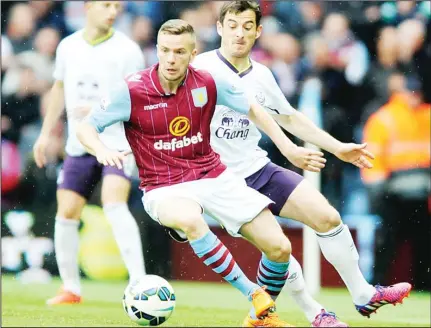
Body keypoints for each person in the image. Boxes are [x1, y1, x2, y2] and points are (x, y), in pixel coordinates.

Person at [76, 18, 318, 327]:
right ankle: (254, 295)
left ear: (193, 54)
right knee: (191, 220)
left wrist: (287, 147)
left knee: (280, 248)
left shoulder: (207, 82)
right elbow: (86, 127)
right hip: (163, 187)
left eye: (179, 52)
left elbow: (253, 109)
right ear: (157, 51)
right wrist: (100, 149)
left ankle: (261, 319)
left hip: (213, 176)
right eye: (164, 51)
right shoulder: (133, 89)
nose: (171, 59)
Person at [191, 0, 412, 324]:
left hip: (255, 167)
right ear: (220, 28)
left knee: (327, 218)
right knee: (277, 248)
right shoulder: (201, 68)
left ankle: (363, 294)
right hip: (218, 179)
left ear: (258, 32)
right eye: (233, 26)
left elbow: (290, 118)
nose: (239, 34)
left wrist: (338, 147)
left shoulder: (263, 75)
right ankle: (311, 312)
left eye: (247, 27)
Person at [32, 1, 146, 305]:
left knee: (113, 203)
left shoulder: (128, 50)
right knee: (66, 212)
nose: (113, 11)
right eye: (106, 4)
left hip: (117, 142)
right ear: (88, 6)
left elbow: (139, 98)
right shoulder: (68, 46)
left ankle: (139, 284)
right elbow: (59, 88)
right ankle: (71, 288)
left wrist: (100, 108)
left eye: (117, 6)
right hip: (79, 144)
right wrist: (45, 134)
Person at [362, 76, 430, 291]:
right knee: (389, 244)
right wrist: (378, 193)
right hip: (393, 193)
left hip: (420, 193)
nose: (414, 97)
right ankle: (377, 284)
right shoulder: (385, 118)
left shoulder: (422, 115)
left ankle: (419, 285)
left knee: (422, 245)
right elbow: (374, 160)